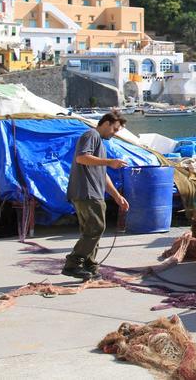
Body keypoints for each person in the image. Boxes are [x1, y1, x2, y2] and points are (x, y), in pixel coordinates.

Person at [62, 112, 130, 280]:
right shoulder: (91, 135)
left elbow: (102, 173)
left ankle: (89, 265)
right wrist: (109, 162)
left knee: (91, 230)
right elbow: (82, 158)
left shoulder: (100, 143)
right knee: (96, 228)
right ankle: (73, 263)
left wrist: (116, 196)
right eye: (114, 129)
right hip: (87, 192)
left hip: (91, 193)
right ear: (106, 123)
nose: (115, 133)